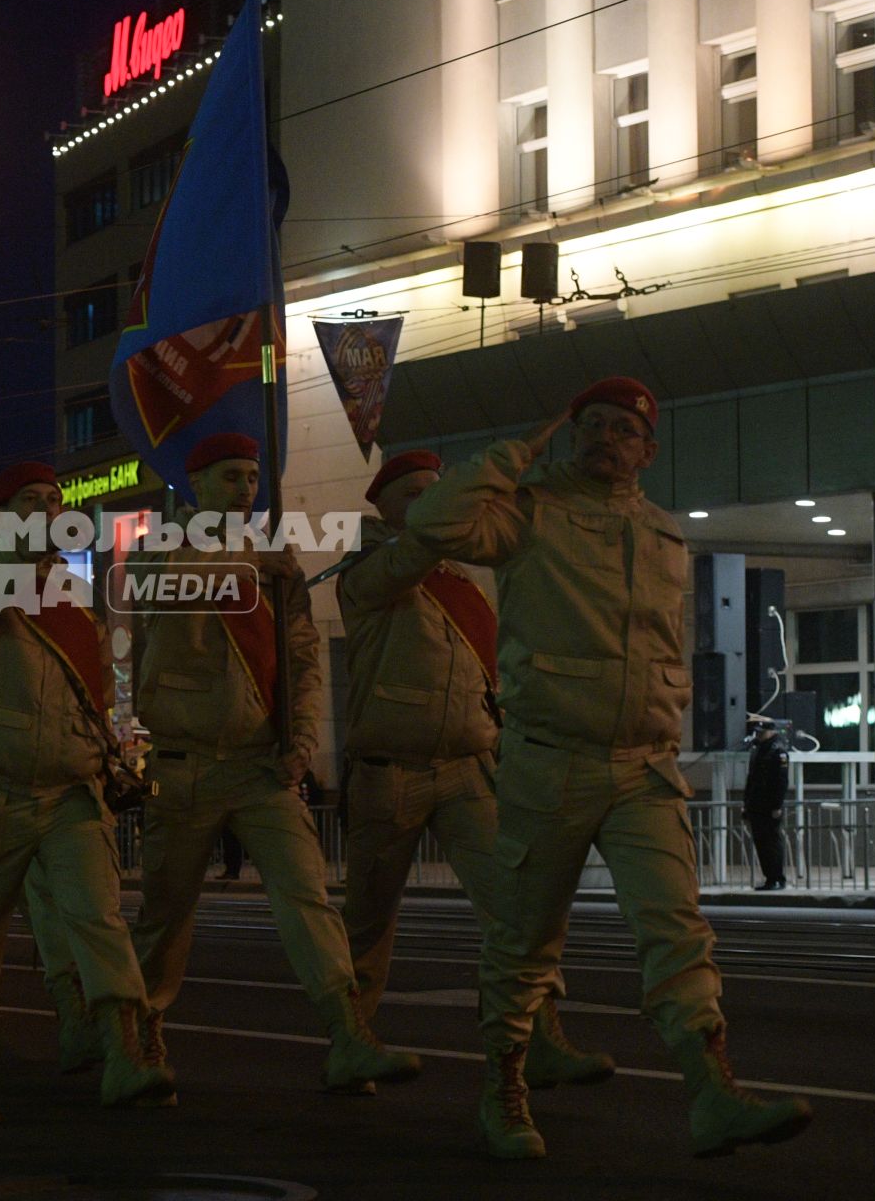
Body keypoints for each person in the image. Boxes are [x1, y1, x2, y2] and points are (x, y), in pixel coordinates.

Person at [408, 377, 813, 1159]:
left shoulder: (664, 534)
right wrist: (515, 450)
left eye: (622, 430)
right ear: (569, 435)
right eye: (590, 426)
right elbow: (431, 520)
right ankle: (504, 1090)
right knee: (525, 941)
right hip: (549, 765)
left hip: (644, 770)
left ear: (648, 451)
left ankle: (711, 1093)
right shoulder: (528, 512)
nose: (605, 438)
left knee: (677, 930)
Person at [129, 433, 418, 1097]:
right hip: (184, 766)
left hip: (260, 766)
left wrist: (302, 740)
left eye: (252, 477)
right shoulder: (161, 550)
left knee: (307, 898)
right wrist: (253, 572)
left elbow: (304, 657)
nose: (245, 488)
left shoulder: (273, 561)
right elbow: (164, 592)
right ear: (195, 485)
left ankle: (348, 1031)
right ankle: (141, 1036)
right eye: (230, 476)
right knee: (167, 916)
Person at [337, 450, 610, 1088]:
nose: (433, 504)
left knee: (519, 910)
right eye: (418, 495)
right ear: (384, 507)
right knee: (367, 930)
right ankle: (349, 1042)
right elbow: (405, 563)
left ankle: (537, 1037)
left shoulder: (461, 579)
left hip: (468, 769)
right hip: (390, 774)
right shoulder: (369, 569)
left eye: (439, 492)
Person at [0, 463, 171, 1127]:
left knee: (100, 921)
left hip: (71, 792)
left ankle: (124, 1051)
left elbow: (94, 686)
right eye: (31, 502)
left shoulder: (69, 595)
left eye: (54, 503)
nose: (47, 511)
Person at [744, 725, 789, 891]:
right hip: (756, 804)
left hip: (769, 805)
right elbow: (751, 780)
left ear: (772, 731)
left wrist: (777, 805)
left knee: (772, 842)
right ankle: (769, 877)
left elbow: (781, 781)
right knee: (761, 842)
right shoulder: (758, 750)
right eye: (758, 732)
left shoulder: (778, 751)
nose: (759, 735)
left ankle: (777, 878)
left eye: (762, 732)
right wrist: (746, 804)